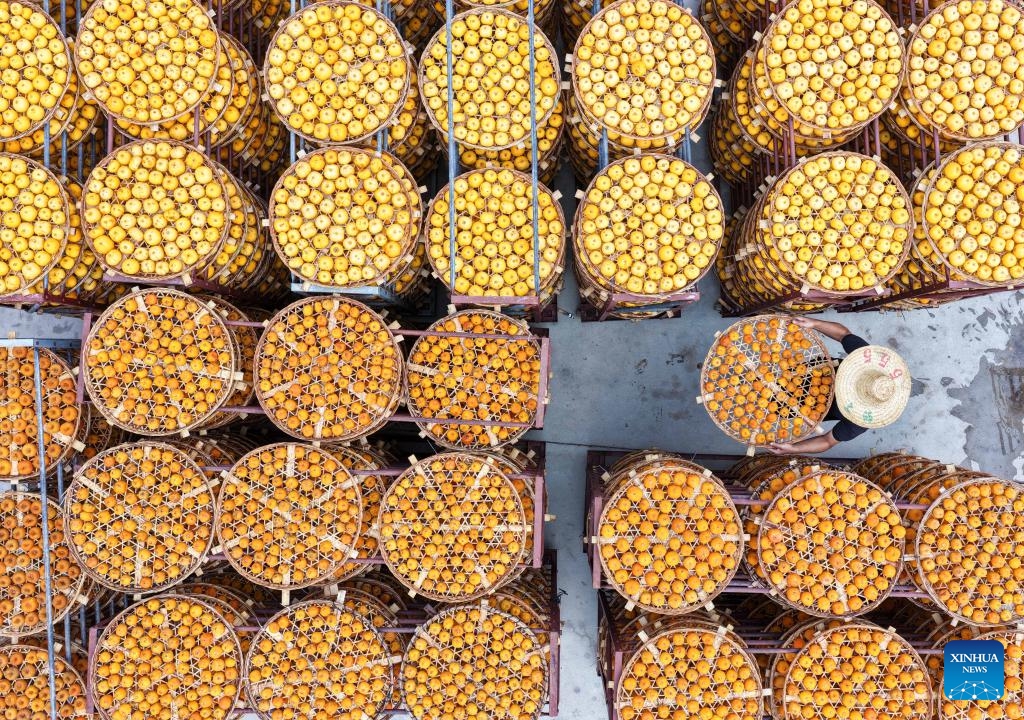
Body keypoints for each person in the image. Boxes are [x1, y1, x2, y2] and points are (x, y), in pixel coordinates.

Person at [768, 317, 911, 455]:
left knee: (765, 404)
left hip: (802, 406)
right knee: (772, 371)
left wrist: (794, 449)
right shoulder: (869, 361)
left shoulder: (862, 419)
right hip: (809, 371)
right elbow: (843, 334)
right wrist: (815, 323)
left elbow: (827, 441)